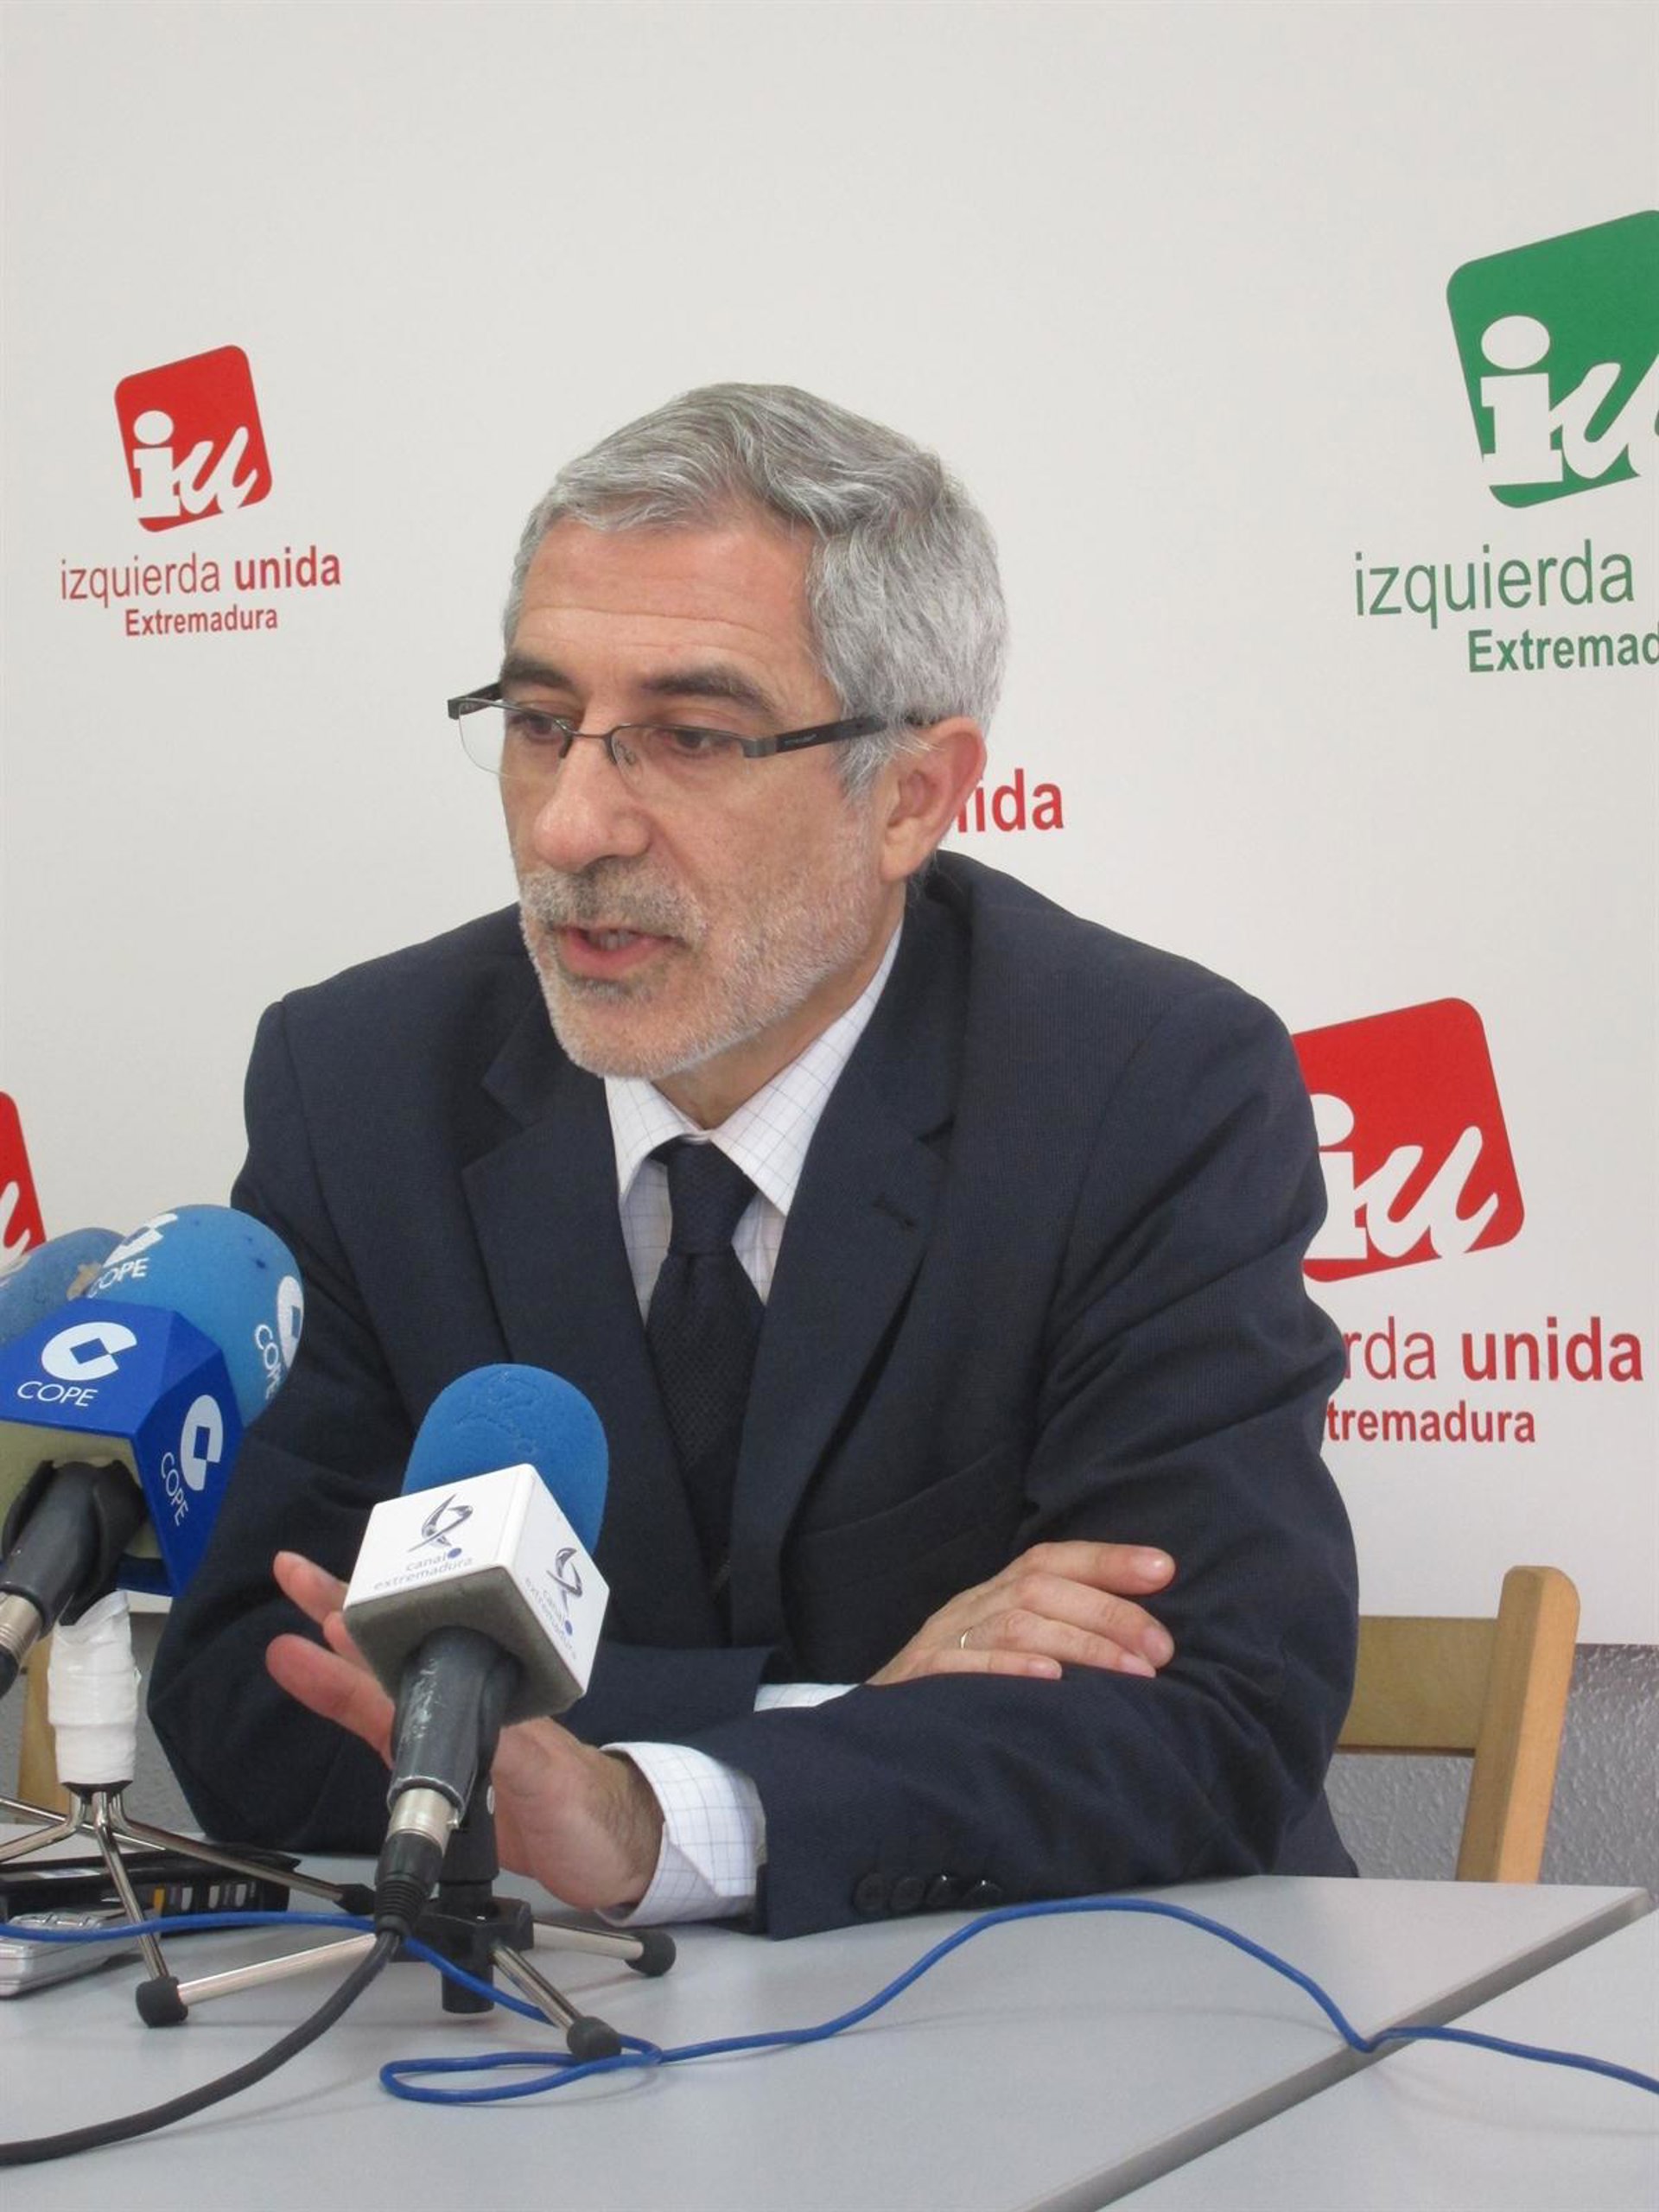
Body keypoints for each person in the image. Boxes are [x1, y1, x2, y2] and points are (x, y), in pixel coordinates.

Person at [149, 384, 1358, 1939]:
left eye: (692, 737)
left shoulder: (1145, 1090)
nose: (572, 826)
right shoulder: (363, 1083)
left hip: (1066, 2006)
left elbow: (1214, 1712)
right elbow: (261, 1696)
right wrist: (835, 1715)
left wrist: (656, 1810)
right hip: (535, 2047)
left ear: (910, 797)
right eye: (539, 724)